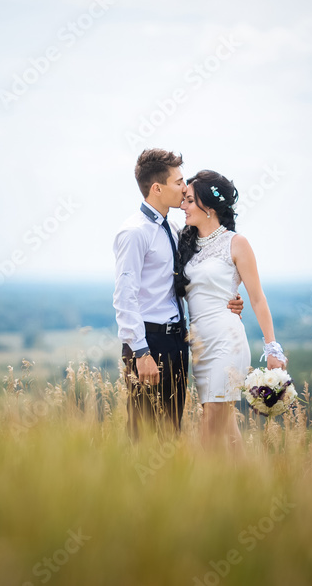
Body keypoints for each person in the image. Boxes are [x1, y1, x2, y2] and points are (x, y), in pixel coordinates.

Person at [113, 150, 243, 441]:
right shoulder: (134, 232)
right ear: (157, 188)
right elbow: (124, 297)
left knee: (169, 432)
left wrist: (227, 300)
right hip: (149, 342)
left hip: (177, 341)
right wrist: (141, 352)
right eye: (179, 182)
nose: (185, 188)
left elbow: (190, 280)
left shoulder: (172, 229)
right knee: (144, 432)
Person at [176, 169, 287, 453]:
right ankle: (250, 489)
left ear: (209, 207)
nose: (183, 206)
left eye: (189, 200)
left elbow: (258, 299)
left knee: (211, 423)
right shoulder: (185, 242)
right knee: (226, 428)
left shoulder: (236, 243)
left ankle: (198, 490)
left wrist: (272, 349)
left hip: (228, 341)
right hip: (200, 346)